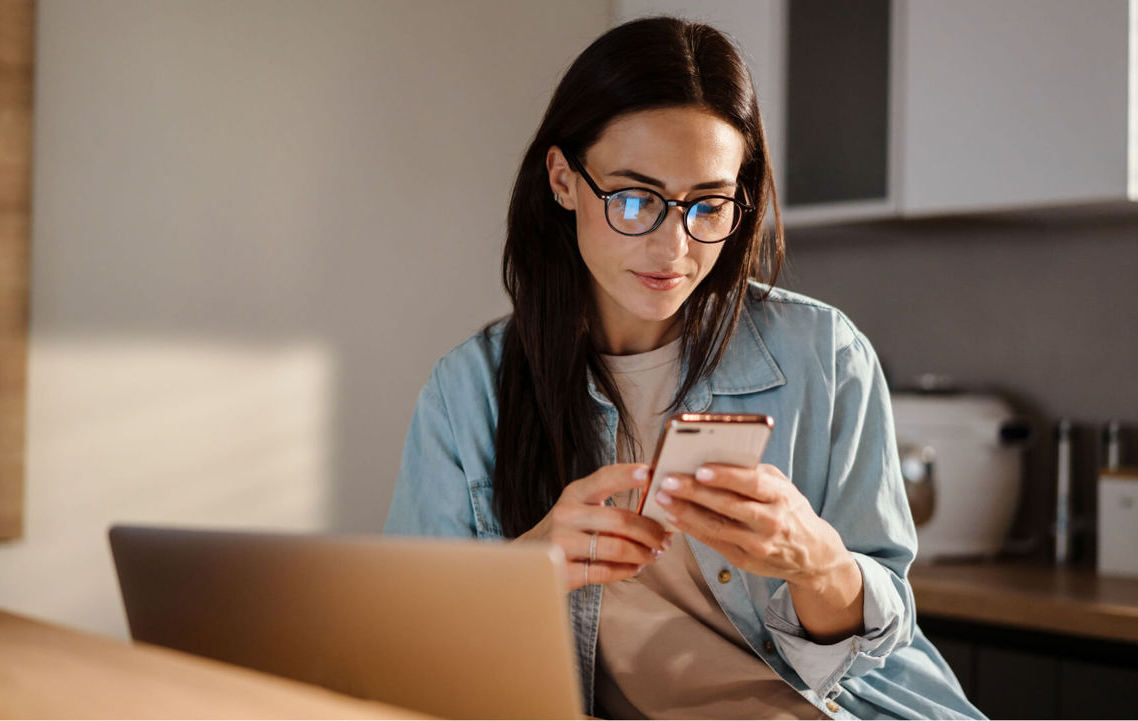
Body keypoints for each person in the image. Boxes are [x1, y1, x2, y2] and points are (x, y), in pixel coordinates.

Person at [384, 16, 983, 721]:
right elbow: (405, 648)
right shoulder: (468, 393)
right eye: (635, 200)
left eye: (707, 204)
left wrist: (815, 559)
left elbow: (876, 647)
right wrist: (528, 567)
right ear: (563, 181)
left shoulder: (825, 354)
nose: (674, 247)